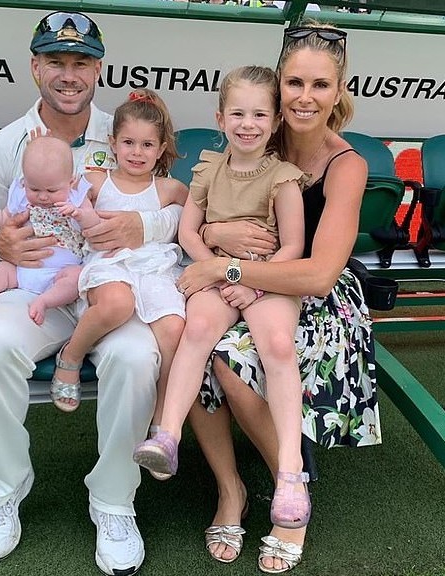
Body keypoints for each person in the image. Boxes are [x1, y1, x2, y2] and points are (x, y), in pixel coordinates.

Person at [0, 10, 183, 574]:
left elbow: (178, 207)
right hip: (39, 282)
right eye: (55, 61)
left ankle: (113, 500)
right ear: (35, 67)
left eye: (81, 62)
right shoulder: (5, 145)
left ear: (97, 71)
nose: (69, 74)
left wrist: (144, 228)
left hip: (113, 284)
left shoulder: (127, 130)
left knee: (135, 356)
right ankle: (2, 490)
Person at [175, 23, 381, 573]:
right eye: (294, 82)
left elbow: (317, 274)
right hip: (239, 281)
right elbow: (209, 207)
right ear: (277, 87)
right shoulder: (257, 134)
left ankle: (292, 499)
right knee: (182, 339)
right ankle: (230, 490)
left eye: (320, 84)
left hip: (314, 295)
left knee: (232, 363)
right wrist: (215, 238)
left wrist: (229, 261)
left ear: (339, 91)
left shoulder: (347, 164)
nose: (305, 97)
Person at [133, 65, 310, 533]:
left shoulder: (283, 178)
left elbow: (292, 246)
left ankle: (290, 470)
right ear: (219, 117)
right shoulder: (209, 168)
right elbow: (189, 230)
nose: (247, 123)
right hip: (217, 271)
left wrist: (255, 284)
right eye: (237, 113)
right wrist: (208, 260)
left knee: (277, 345)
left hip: (268, 278)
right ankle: (167, 434)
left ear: (274, 122)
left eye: (258, 114)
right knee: (197, 329)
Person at [53, 89, 187, 417]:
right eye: (128, 143)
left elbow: (195, 219)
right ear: (113, 144)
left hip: (154, 268)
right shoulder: (96, 181)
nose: (137, 152)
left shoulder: (170, 189)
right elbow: (66, 215)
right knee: (117, 303)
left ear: (161, 149)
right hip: (110, 262)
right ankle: (71, 356)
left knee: (173, 329)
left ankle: (162, 418)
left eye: (147, 145)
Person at [0, 135, 92, 336]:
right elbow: (4, 221)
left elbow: (94, 224)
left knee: (77, 278)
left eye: (52, 190)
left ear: (70, 180)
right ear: (25, 182)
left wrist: (79, 215)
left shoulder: (77, 196)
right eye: (34, 188)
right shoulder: (21, 195)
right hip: (23, 267)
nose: (43, 196)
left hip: (62, 269)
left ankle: (44, 301)